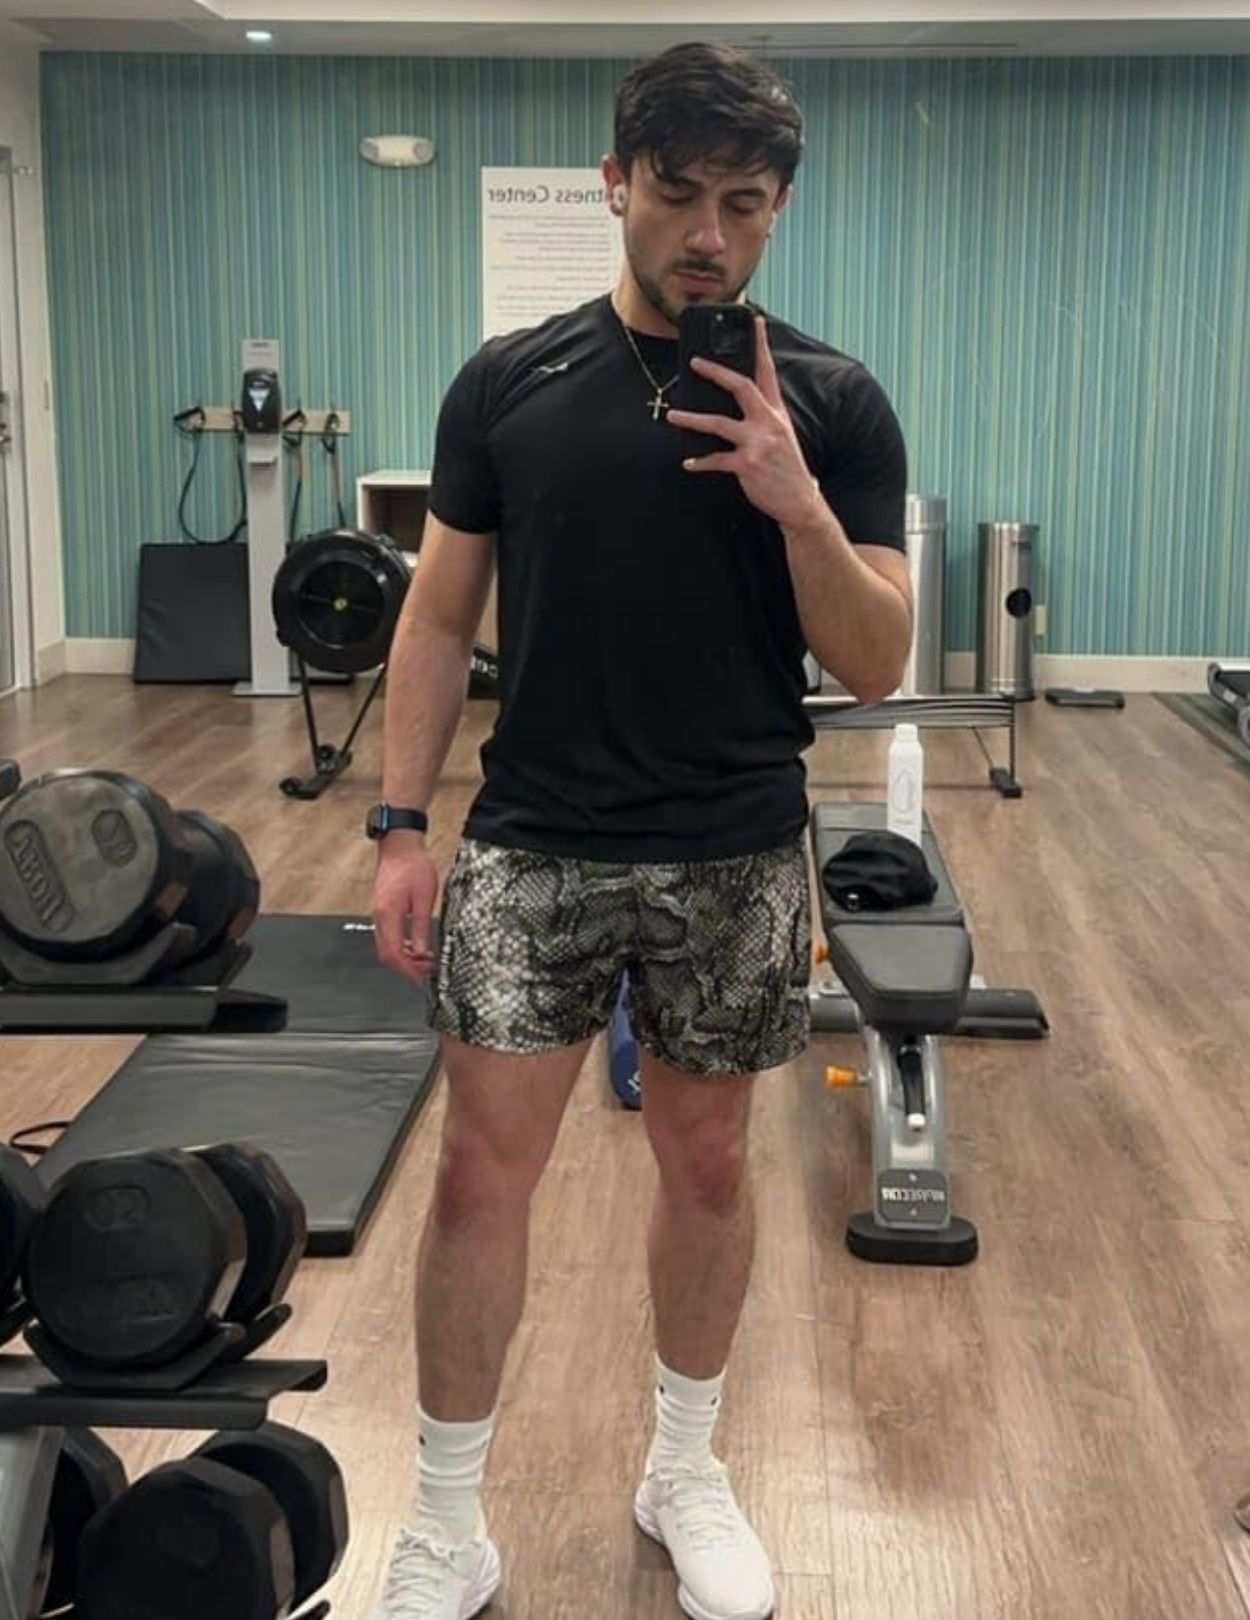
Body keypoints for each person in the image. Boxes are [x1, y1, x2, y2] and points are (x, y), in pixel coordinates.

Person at [367, 40, 912, 1620]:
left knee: (710, 1170)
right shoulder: (507, 383)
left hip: (734, 846)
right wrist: (398, 826)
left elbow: (874, 661)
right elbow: (436, 616)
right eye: (677, 195)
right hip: (531, 838)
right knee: (478, 1180)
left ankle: (683, 1469)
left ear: (778, 208)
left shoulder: (831, 402)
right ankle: (447, 1522)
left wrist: (796, 503)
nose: (706, 236)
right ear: (615, 184)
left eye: (743, 205)